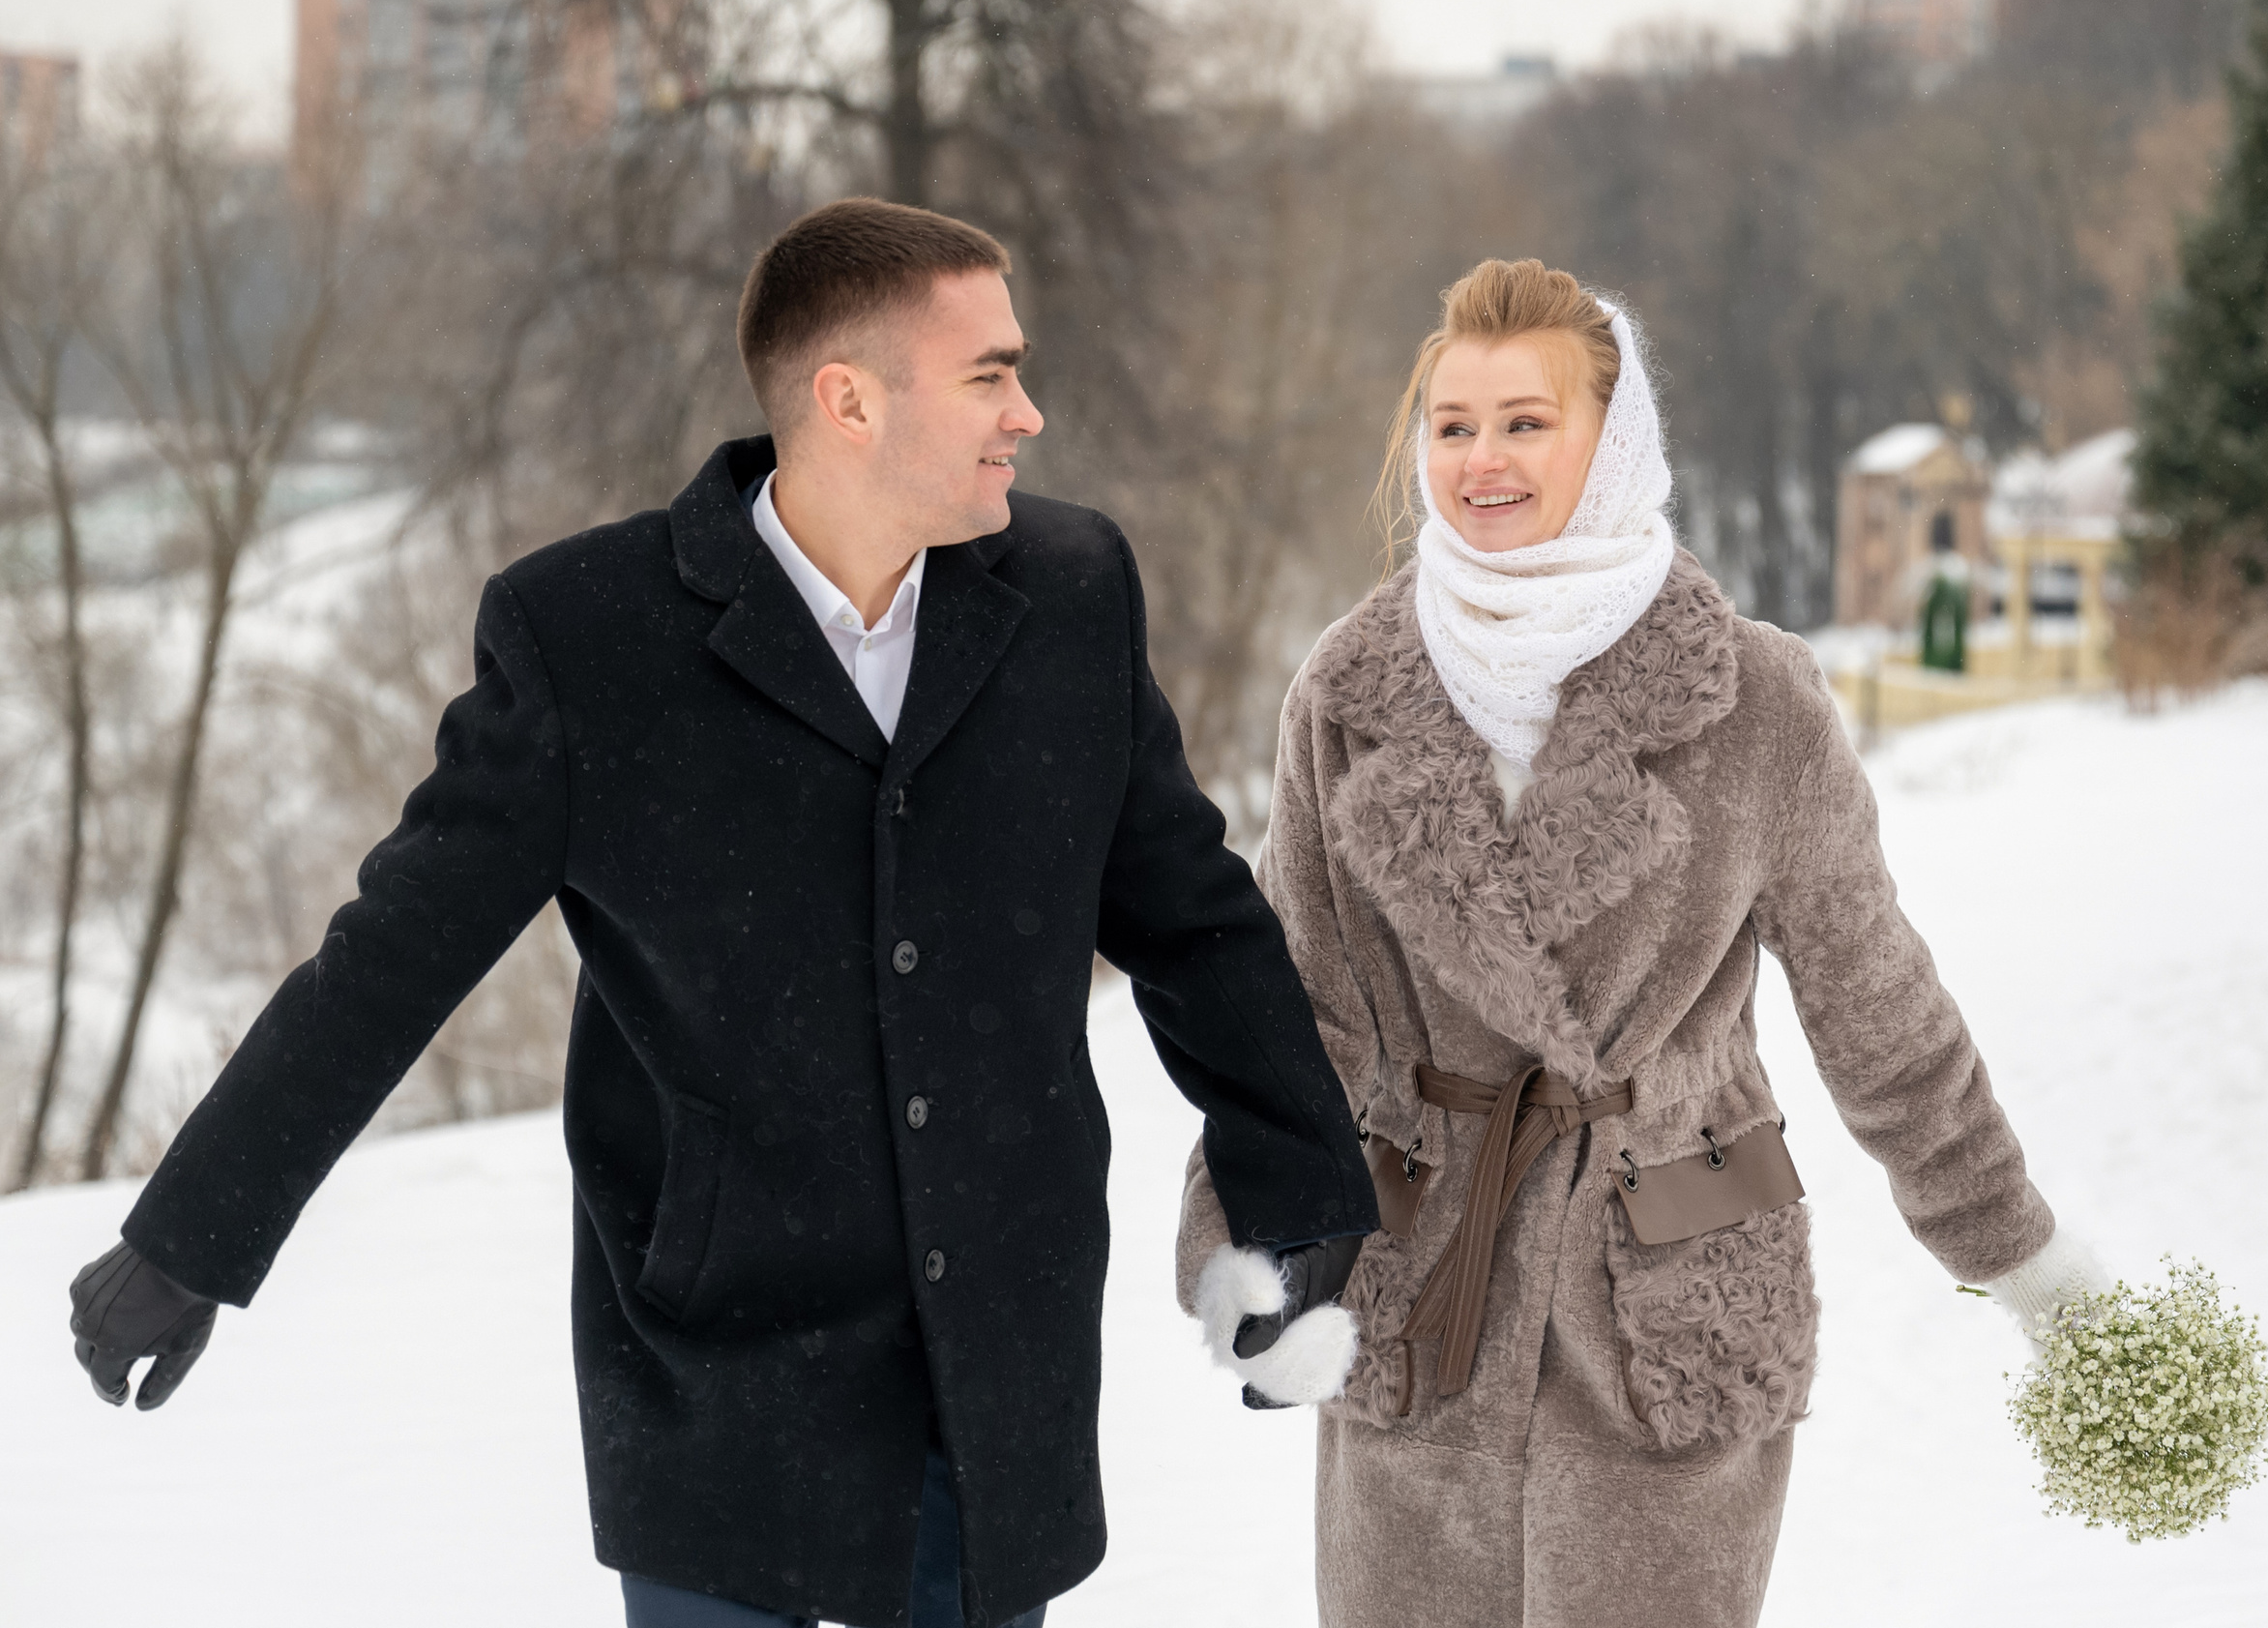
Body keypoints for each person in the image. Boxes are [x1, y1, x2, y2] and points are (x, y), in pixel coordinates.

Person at [67, 198, 1378, 1628]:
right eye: (991, 373)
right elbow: (392, 957)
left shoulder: (1068, 597)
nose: (1031, 413)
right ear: (848, 398)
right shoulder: (591, 640)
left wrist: (1301, 1181)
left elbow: (1194, 919)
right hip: (716, 1364)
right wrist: (191, 1233)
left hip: (994, 1356)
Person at [1174, 259, 2107, 1627]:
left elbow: (1880, 1014)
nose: (1481, 459)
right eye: (1452, 424)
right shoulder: (1346, 691)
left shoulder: (1754, 701)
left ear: (1614, 444)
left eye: (1525, 421)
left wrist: (2025, 1258)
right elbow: (1295, 1011)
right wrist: (1243, 1238)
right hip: (1425, 1281)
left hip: (1667, 1299)